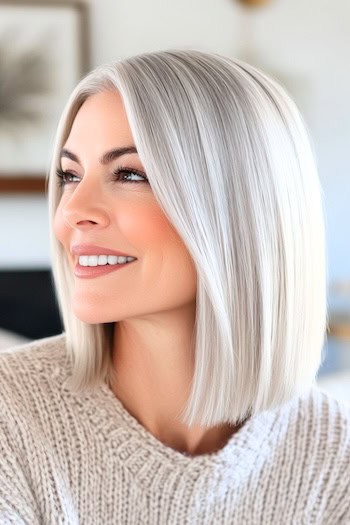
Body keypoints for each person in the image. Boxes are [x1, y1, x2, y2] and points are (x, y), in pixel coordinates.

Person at [0, 49, 349, 524]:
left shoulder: (334, 458)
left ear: (240, 207)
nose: (70, 211)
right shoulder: (11, 417)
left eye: (129, 174)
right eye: (70, 175)